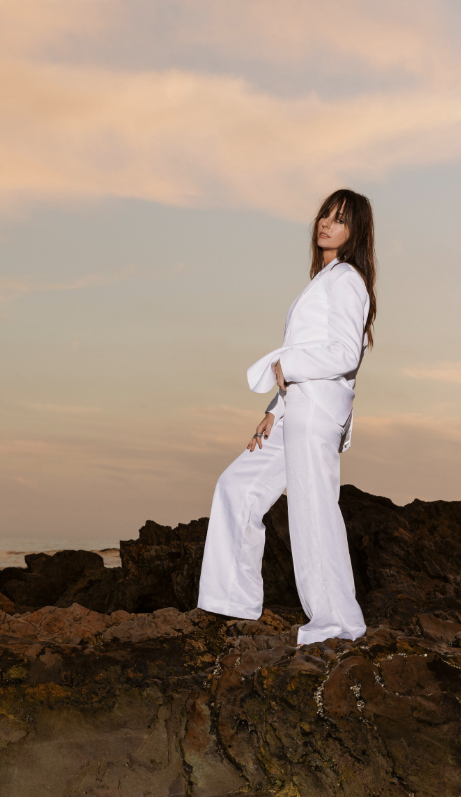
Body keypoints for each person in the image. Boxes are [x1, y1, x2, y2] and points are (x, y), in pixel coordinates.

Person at [197, 188, 377, 645]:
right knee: (236, 486)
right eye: (324, 215)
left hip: (316, 412)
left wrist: (286, 367)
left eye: (339, 219)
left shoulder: (347, 280)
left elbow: (342, 352)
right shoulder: (325, 279)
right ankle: (230, 603)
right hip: (293, 409)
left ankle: (337, 623)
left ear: (354, 232)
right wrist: (273, 411)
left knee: (313, 513)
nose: (326, 224)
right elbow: (312, 348)